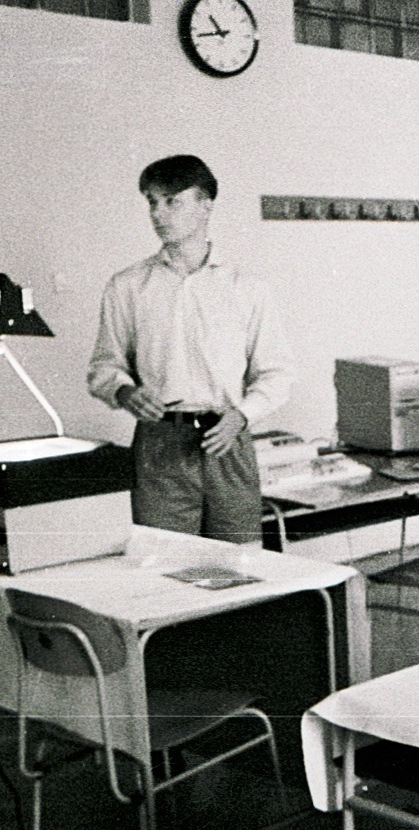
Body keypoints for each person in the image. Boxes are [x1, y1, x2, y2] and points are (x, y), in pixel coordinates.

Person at [88, 154, 296, 543]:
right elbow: (104, 366)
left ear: (206, 206)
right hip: (160, 445)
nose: (158, 214)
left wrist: (243, 416)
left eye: (172, 201)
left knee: (239, 566)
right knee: (165, 565)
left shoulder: (246, 287)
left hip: (226, 438)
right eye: (152, 201)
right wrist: (124, 391)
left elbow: (276, 373)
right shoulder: (128, 286)